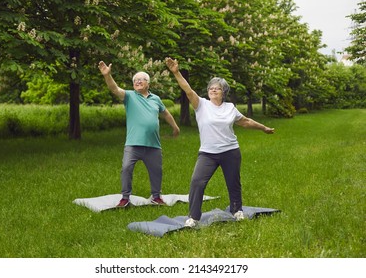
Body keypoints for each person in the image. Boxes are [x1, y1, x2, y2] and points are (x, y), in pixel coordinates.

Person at [165, 57, 274, 227]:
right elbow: (188, 90)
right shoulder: (201, 104)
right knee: (197, 182)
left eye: (218, 88)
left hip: (230, 151)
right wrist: (176, 72)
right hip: (208, 153)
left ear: (224, 92)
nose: (214, 90)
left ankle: (237, 210)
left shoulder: (230, 108)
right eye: (211, 88)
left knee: (233, 182)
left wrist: (263, 128)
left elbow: (245, 121)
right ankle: (193, 217)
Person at [98, 61, 180, 207]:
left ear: (148, 83)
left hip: (153, 144)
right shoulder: (129, 96)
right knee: (126, 168)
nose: (137, 82)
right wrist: (107, 75)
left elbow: (166, 114)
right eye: (135, 80)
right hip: (133, 144)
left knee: (156, 171)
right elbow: (114, 89)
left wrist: (175, 127)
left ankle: (156, 196)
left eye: (141, 79)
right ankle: (125, 198)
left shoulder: (156, 99)